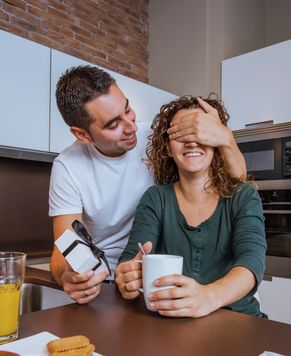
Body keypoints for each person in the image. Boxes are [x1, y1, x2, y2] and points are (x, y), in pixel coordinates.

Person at [49, 65, 247, 304]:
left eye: (128, 109)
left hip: (161, 272)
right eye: (113, 125)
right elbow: (65, 246)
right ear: (82, 135)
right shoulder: (68, 167)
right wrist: (67, 277)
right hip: (109, 280)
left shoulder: (154, 136)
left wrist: (224, 135)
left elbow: (237, 183)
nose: (131, 127)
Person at [115, 95, 267, 318]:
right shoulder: (156, 198)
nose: (192, 142)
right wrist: (126, 277)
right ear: (167, 148)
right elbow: (130, 258)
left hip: (239, 322)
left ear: (215, 142)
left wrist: (209, 296)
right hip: (171, 325)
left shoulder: (243, 196)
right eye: (180, 134)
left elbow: (251, 263)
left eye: (199, 133)